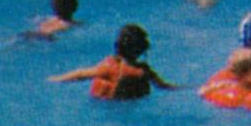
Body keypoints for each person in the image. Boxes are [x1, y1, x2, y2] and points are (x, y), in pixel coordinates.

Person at [50, 22, 180, 98]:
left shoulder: (108, 66)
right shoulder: (143, 71)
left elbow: (80, 74)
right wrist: (187, 88)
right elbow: (165, 86)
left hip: (101, 104)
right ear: (142, 48)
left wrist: (56, 79)